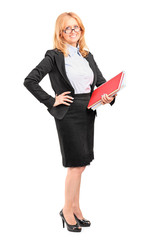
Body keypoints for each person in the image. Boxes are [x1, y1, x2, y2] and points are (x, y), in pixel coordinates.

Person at [23, 12, 116, 232]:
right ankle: (66, 211)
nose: (73, 32)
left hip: (87, 111)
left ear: (81, 31)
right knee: (74, 166)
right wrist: (51, 101)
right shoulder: (54, 56)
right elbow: (30, 80)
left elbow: (101, 83)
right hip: (69, 114)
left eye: (77, 28)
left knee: (81, 164)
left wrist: (108, 96)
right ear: (60, 33)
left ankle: (75, 207)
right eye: (68, 28)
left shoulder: (86, 55)